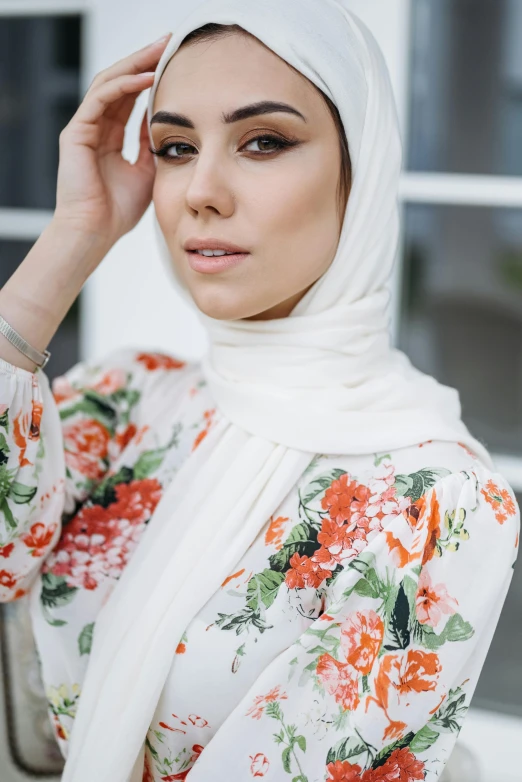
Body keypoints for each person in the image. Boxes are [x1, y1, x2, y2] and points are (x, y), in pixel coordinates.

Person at [0, 2, 519, 781]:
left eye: (264, 141)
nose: (199, 192)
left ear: (361, 169)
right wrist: (76, 232)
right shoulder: (128, 400)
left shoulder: (438, 503)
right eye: (175, 147)